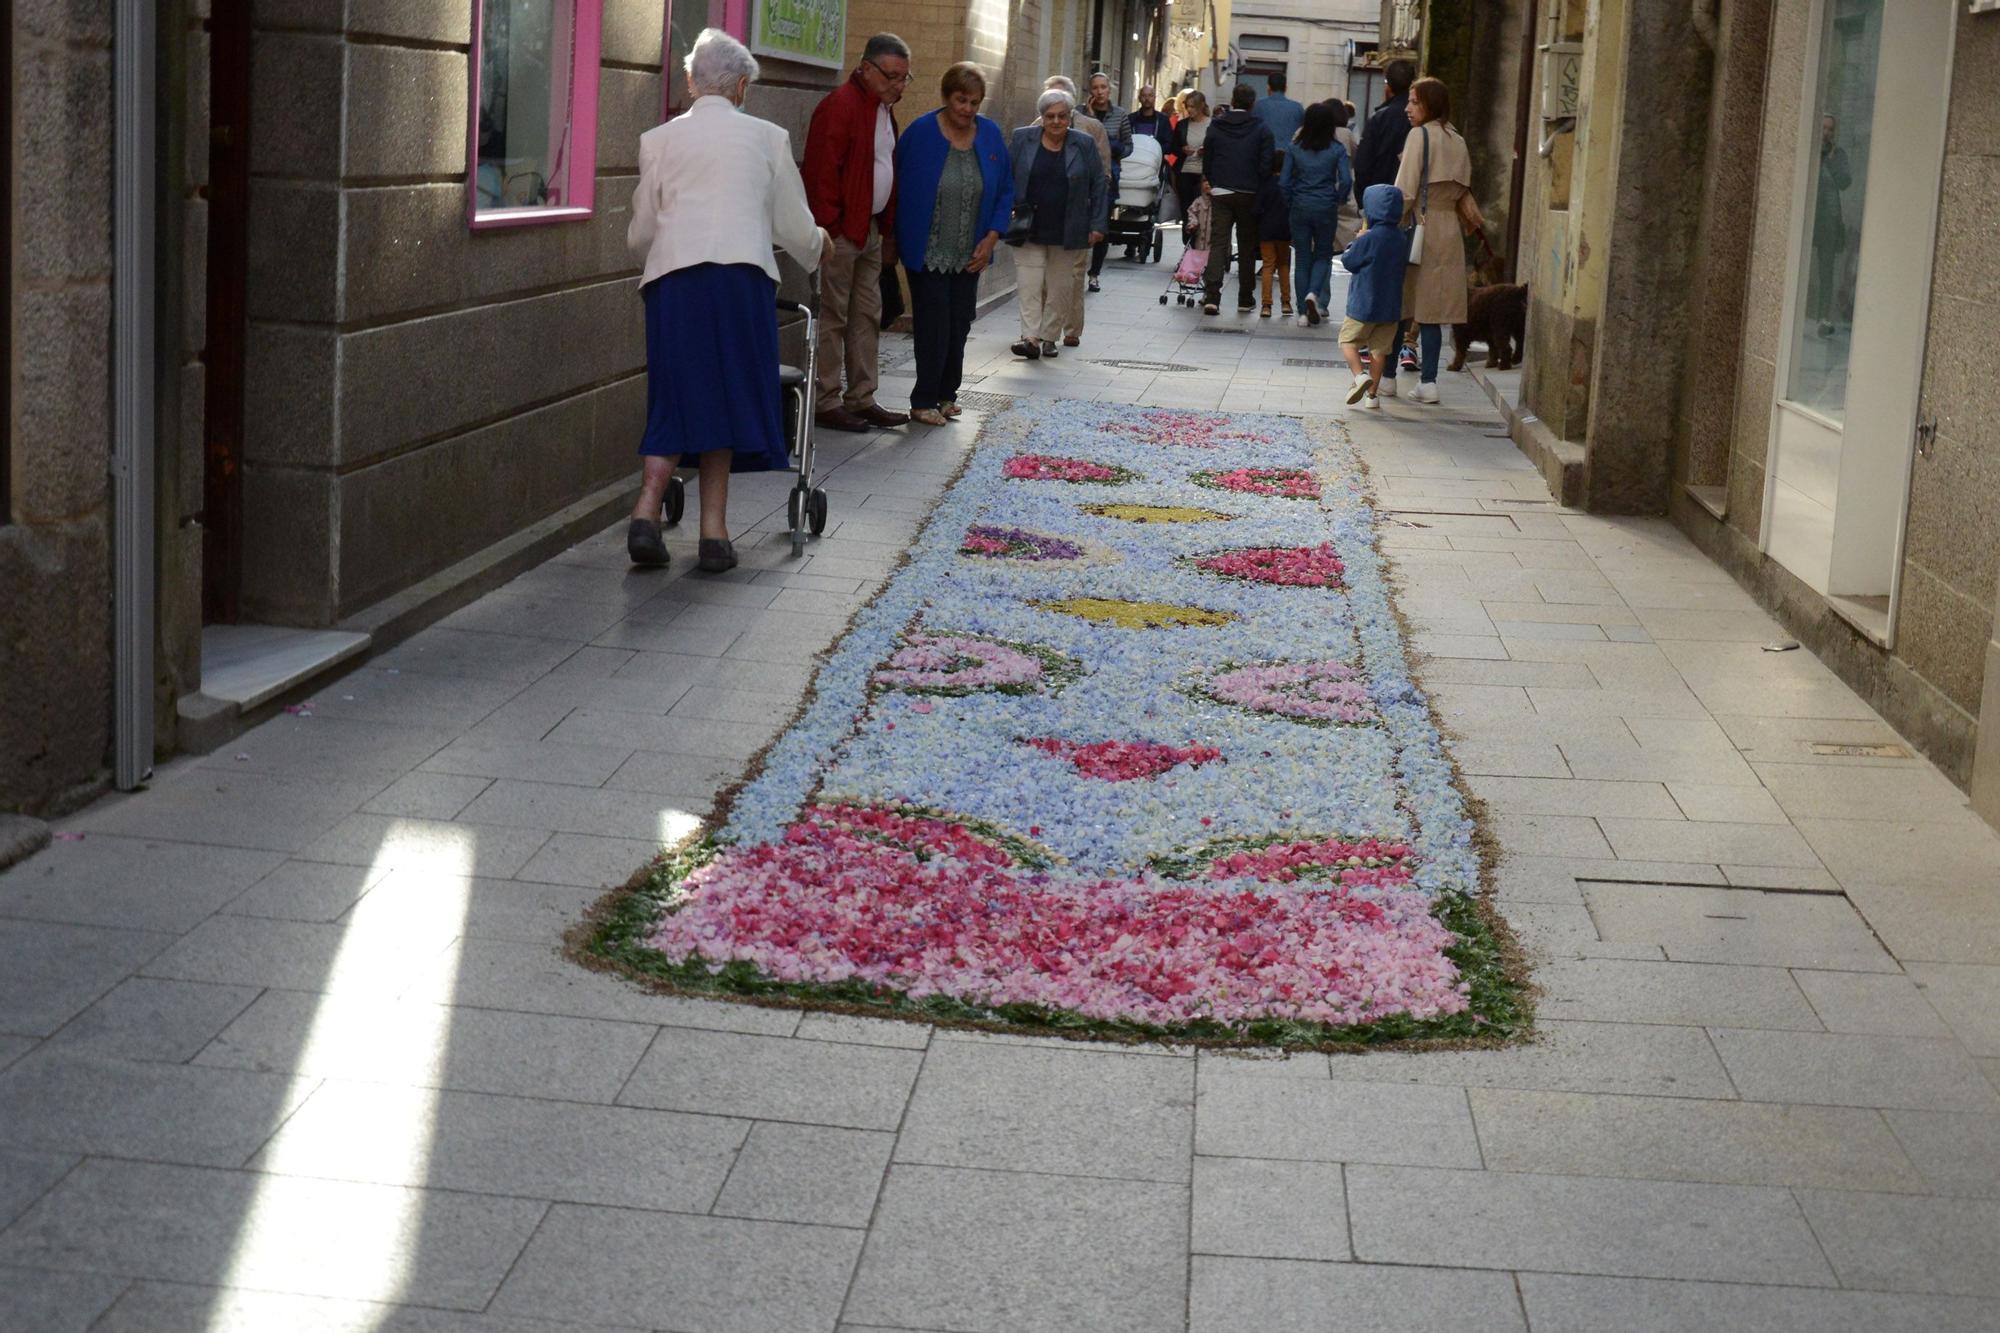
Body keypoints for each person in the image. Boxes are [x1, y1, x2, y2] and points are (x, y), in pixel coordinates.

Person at [625, 29, 830, 571]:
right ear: (741, 85)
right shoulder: (768, 137)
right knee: (727, 389)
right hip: (741, 280)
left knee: (677, 390)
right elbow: (792, 222)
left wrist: (651, 252)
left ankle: (646, 511)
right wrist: (816, 246)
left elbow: (643, 227)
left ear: (692, 82)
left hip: (675, 281)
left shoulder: (659, 139)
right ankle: (713, 534)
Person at [893, 62, 1012, 425]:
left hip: (970, 252)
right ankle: (922, 399)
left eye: (974, 102)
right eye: (961, 100)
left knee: (960, 323)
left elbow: (1005, 189)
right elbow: (896, 184)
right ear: (946, 97)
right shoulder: (921, 133)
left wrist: (992, 237)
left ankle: (947, 394)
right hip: (927, 249)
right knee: (933, 325)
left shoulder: (989, 135)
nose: (968, 109)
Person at [804, 33, 912, 434]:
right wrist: (830, 227)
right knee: (833, 314)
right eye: (892, 76)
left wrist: (884, 231)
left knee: (867, 313)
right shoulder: (840, 107)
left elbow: (886, 168)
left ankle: (862, 396)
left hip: (869, 227)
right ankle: (826, 398)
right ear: (866, 69)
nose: (898, 85)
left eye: (904, 77)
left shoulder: (884, 110)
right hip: (841, 232)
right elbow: (820, 173)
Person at [1392, 76, 1475, 404]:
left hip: (1417, 226)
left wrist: (1380, 224)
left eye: (1414, 101)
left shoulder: (1419, 136)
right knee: (1433, 309)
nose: (1407, 108)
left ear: (1430, 104)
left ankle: (1386, 378)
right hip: (1448, 230)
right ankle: (1429, 381)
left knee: (1402, 304)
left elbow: (1405, 190)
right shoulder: (1458, 140)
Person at [1008, 90, 1107, 360]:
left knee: (1060, 286)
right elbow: (1007, 177)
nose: (1056, 122)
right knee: (1029, 284)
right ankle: (1030, 337)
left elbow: (1098, 184)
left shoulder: (1083, 144)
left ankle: (1049, 336)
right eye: (1049, 116)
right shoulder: (1022, 138)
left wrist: (1097, 224)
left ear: (1070, 117)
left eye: (1062, 116)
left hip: (1068, 226)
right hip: (1028, 224)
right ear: (1041, 117)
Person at [1199, 83, 1274, 317]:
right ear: (1252, 103)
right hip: (1249, 193)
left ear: (1233, 101)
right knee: (1246, 246)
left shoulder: (1217, 126)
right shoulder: (1261, 128)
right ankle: (1244, 297)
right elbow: (1266, 164)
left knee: (1218, 243)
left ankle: (1212, 296)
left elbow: (1207, 157)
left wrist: (1213, 180)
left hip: (1221, 191)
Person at [1338, 183, 1411, 411]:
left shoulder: (1369, 238)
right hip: (1390, 307)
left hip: (1363, 304)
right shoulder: (1401, 239)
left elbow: (1349, 261)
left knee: (1347, 341)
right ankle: (1372, 397)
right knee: (1379, 351)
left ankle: (1359, 376)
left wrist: (1357, 241)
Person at [1282, 101, 1350, 327]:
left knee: (1302, 259)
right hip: (1326, 207)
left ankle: (1302, 312)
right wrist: (1339, 199)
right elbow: (1346, 179)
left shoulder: (1294, 148)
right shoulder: (1337, 149)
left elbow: (1284, 182)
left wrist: (1290, 200)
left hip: (1300, 205)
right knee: (1323, 255)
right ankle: (1314, 293)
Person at [1084, 73, 1134, 292]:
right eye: (1095, 87)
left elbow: (1128, 146)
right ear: (1090, 91)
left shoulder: (1120, 114)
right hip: (1083, 175)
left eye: (1103, 87)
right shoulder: (1079, 112)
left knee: (1101, 225)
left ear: (1109, 90)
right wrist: (1090, 115)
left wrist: (1113, 148)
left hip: (1108, 176)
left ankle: (1094, 273)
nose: (1100, 91)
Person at [1351, 58, 1414, 207]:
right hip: (1409, 197)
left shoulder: (1379, 118)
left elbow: (1363, 164)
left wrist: (1363, 199)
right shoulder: (1421, 118)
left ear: (1388, 85)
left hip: (1379, 196)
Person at [1810, 113, 1851, 337]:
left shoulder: (1838, 154)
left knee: (1827, 269)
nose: (1826, 133)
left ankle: (1823, 317)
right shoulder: (1811, 152)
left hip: (1829, 220)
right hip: (1811, 216)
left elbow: (1845, 182)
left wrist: (1833, 158)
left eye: (1830, 130)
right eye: (1823, 128)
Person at [1124, 84, 1174, 258]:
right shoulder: (1130, 119)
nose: (1147, 99)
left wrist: (1157, 147)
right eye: (1144, 95)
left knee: (1150, 200)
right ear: (1139, 98)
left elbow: (1170, 143)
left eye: (1150, 95)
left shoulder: (1162, 120)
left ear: (1154, 98)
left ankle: (1143, 231)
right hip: (1132, 165)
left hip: (1153, 166)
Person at [1254, 150, 1292, 319]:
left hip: (1266, 229)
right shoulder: (1289, 185)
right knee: (1284, 265)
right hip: (1285, 229)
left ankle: (1266, 305)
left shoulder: (1265, 183)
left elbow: (1256, 208)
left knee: (1268, 265)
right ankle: (1286, 302)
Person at [1169, 90, 1210, 218]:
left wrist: (1206, 151)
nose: (1189, 109)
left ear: (1201, 106)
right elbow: (1173, 147)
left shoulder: (1212, 125)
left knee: (1202, 210)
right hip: (1185, 172)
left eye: (1192, 106)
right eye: (1187, 106)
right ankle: (1186, 236)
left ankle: (1200, 237)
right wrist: (1182, 150)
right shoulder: (1182, 125)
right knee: (1186, 210)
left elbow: (1218, 148)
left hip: (1204, 174)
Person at [1252, 69, 1304, 149]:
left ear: (1268, 87)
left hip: (1265, 154)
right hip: (1289, 155)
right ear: (1285, 88)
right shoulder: (1298, 108)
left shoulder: (1258, 105)